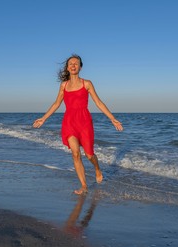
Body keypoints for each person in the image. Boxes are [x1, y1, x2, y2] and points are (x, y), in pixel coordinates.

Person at [33, 54, 123, 195]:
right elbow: (57, 103)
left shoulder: (86, 83)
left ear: (80, 67)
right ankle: (84, 186)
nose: (73, 65)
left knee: (89, 155)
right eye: (70, 64)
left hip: (84, 122)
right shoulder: (64, 85)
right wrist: (43, 118)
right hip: (69, 122)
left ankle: (97, 169)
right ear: (67, 68)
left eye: (76, 63)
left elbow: (98, 102)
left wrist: (112, 118)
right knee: (75, 154)